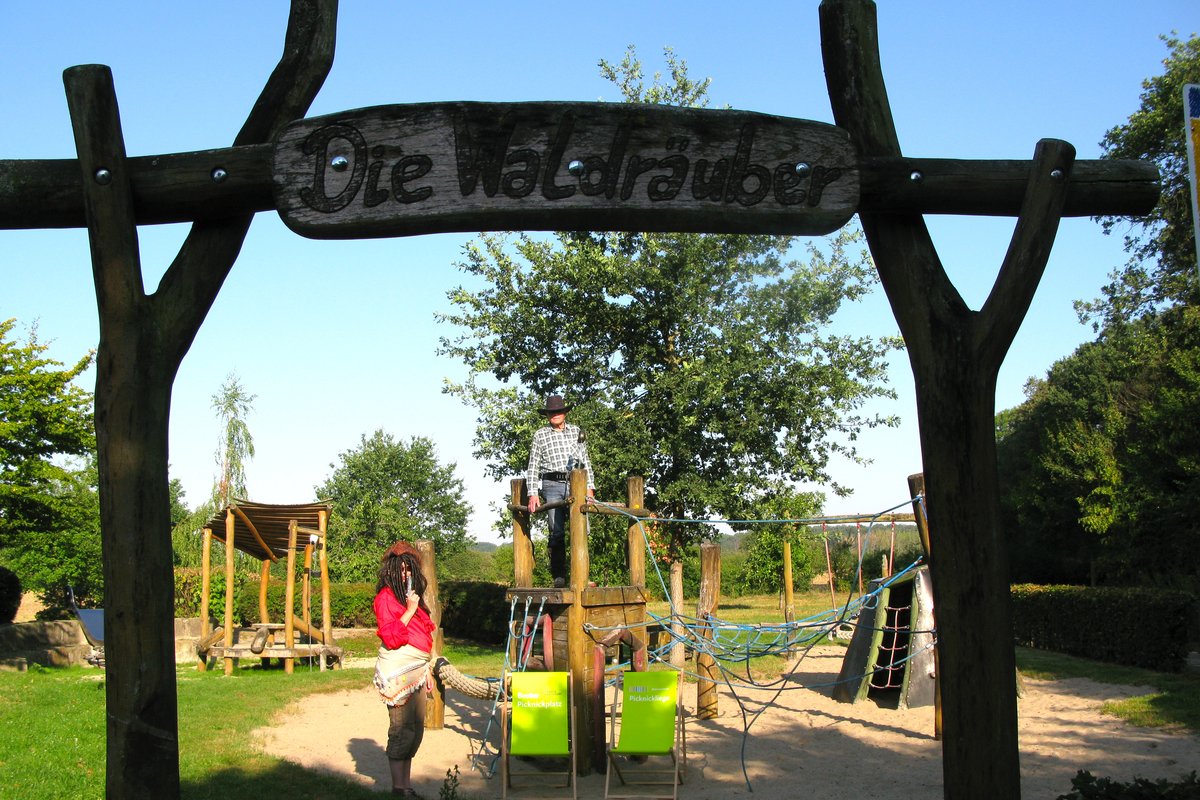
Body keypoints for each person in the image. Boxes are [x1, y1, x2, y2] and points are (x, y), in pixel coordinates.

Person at [373, 541, 436, 798]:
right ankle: (399, 790)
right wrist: (410, 610)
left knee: (415, 730)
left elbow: (424, 637)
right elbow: (392, 637)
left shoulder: (414, 600)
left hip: (418, 672)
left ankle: (406, 786)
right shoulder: (386, 599)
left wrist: (427, 669)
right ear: (390, 571)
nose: (405, 575)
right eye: (400, 570)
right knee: (400, 730)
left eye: (409, 570)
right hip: (398, 673)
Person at [525, 394, 595, 588]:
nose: (555, 414)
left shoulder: (576, 432)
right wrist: (533, 492)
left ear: (564, 412)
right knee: (556, 530)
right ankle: (559, 577)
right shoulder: (540, 434)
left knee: (582, 528)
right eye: (551, 412)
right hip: (551, 484)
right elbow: (533, 465)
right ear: (547, 414)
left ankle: (582, 576)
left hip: (576, 483)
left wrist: (590, 488)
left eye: (558, 411)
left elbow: (585, 460)